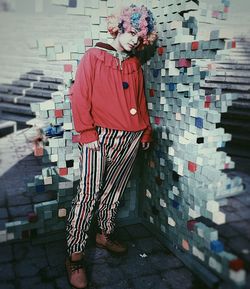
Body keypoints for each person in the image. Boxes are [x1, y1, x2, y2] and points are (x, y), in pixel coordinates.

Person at [65, 4, 157, 289]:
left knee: (115, 190)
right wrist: (86, 131)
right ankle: (75, 254)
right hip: (98, 136)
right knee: (88, 194)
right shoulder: (94, 56)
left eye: (139, 37)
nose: (133, 40)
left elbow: (139, 101)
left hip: (130, 137)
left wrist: (145, 131)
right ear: (120, 27)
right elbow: (79, 95)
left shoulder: (134, 65)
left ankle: (104, 235)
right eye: (131, 32)